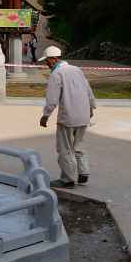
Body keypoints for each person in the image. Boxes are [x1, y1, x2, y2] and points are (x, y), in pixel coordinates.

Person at [39, 46, 96, 188]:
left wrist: (45, 116)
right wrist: (91, 107)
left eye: (46, 61)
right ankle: (83, 173)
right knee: (79, 145)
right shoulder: (77, 70)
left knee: (65, 148)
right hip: (83, 115)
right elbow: (88, 89)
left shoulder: (56, 74)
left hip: (68, 117)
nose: (46, 64)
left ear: (53, 59)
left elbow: (52, 99)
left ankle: (68, 179)